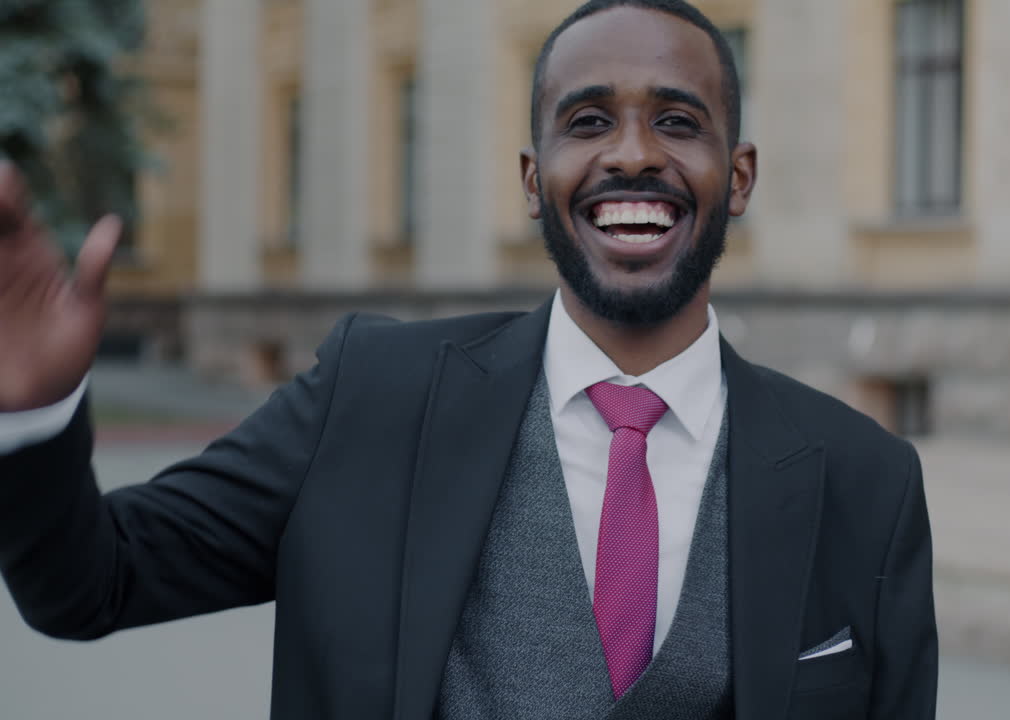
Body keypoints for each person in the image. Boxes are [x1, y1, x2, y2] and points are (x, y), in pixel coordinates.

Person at [0, 1, 937, 717]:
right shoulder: (370, 398)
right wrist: (36, 415)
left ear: (738, 178)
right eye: (587, 122)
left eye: (679, 122)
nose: (634, 156)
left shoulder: (866, 480)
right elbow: (89, 584)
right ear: (535, 181)